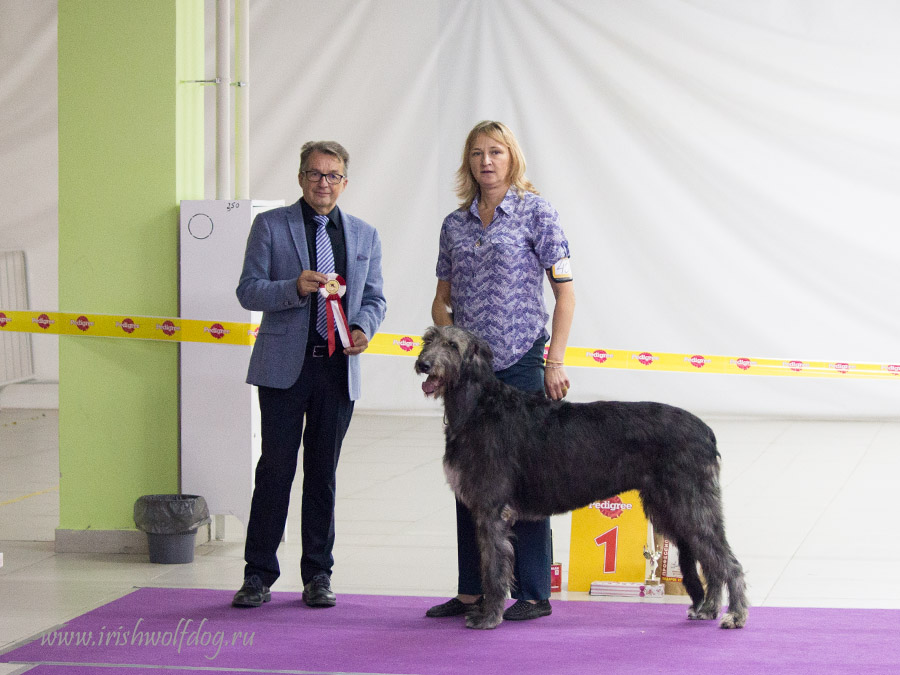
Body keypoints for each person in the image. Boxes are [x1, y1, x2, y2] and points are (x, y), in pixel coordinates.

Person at [426, 120, 575, 622]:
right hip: (469, 377)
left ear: (512, 158)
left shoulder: (538, 213)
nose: (486, 162)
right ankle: (474, 591)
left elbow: (565, 293)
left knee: (529, 477)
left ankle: (533, 592)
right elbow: (442, 298)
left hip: (521, 361)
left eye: (495, 152)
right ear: (467, 162)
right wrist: (447, 337)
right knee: (470, 481)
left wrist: (555, 359)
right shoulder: (455, 224)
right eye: (476, 154)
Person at [232, 141, 386, 609]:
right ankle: (257, 574)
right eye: (315, 174)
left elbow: (376, 298)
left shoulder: (364, 235)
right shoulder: (270, 226)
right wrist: (292, 288)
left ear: (345, 182)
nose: (324, 183)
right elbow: (247, 291)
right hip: (283, 371)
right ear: (300, 178)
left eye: (333, 175)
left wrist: (363, 327)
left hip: (338, 371)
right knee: (275, 472)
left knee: (323, 476)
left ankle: (318, 573)